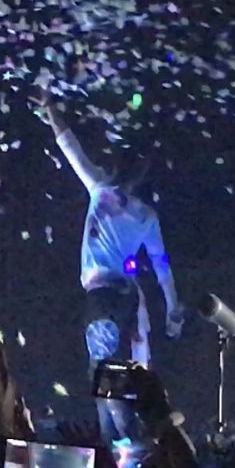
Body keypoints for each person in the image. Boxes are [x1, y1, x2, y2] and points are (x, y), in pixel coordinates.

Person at [39, 93, 184, 375]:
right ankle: (138, 384)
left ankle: (119, 392)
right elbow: (162, 266)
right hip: (127, 295)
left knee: (104, 371)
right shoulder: (145, 215)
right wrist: (172, 308)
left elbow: (69, 146)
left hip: (103, 295)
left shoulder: (101, 189)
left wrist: (49, 107)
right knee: (133, 365)